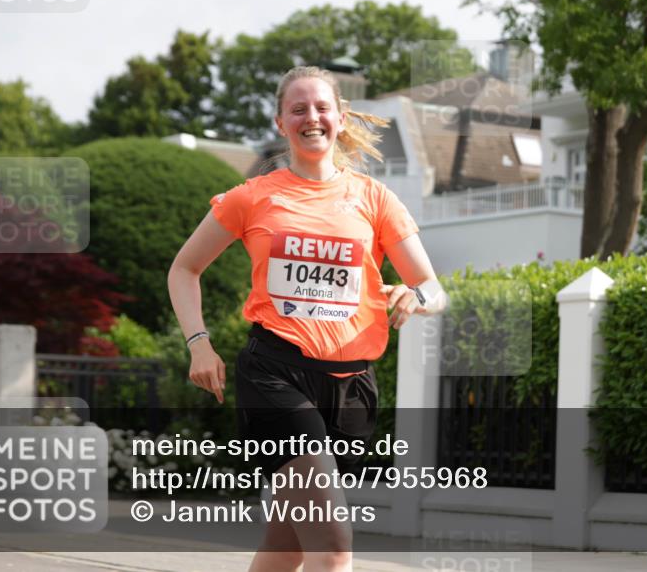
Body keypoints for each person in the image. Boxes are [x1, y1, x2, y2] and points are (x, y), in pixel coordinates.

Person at [167, 65, 447, 572]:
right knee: (334, 548)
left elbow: (432, 287)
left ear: (340, 117)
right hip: (277, 374)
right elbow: (184, 268)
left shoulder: (375, 198)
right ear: (280, 123)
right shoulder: (251, 196)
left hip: (353, 385)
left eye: (321, 107)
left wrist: (414, 295)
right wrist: (199, 343)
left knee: (288, 543)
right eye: (298, 109)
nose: (310, 117)